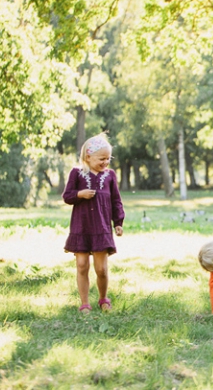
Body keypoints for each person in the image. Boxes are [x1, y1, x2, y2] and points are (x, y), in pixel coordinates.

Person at [62, 134, 125, 313]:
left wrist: (118, 222)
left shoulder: (110, 175)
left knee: (101, 269)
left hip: (102, 228)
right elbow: (67, 196)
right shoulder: (77, 173)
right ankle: (84, 303)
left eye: (108, 158)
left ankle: (103, 299)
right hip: (81, 228)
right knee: (82, 265)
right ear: (88, 157)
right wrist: (79, 194)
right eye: (101, 158)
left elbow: (116, 201)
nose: (105, 162)